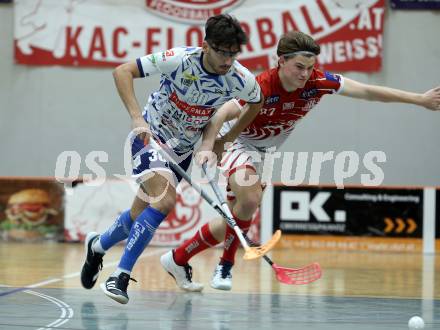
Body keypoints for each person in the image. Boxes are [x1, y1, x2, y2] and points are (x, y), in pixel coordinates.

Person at [164, 30, 440, 291]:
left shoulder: (317, 82)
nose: (304, 74)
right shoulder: (260, 85)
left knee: (235, 219)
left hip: (265, 152)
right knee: (249, 202)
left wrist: (419, 99)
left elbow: (367, 92)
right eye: (298, 67)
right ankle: (225, 266)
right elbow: (222, 113)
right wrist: (211, 145)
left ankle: (176, 259)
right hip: (236, 140)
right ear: (281, 61)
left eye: (309, 67)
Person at [80, 14, 263, 304]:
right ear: (206, 46)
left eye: (233, 53)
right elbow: (122, 71)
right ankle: (120, 276)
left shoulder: (240, 78)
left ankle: (97, 246)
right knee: (165, 201)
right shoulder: (178, 59)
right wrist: (137, 117)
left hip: (183, 152)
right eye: (222, 52)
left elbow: (257, 102)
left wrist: (220, 141)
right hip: (149, 138)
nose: (228, 60)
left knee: (139, 216)